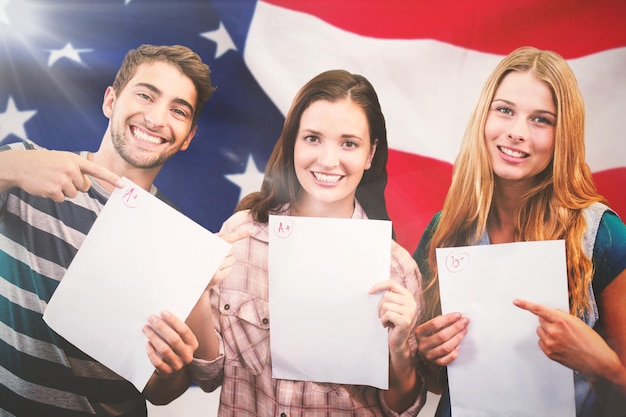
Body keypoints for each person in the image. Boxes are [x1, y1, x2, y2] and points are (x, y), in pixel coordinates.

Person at [143, 69, 427, 415]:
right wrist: (200, 291)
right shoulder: (241, 235)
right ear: (293, 141)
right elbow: (208, 375)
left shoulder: (397, 268)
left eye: (349, 143)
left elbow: (404, 408)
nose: (327, 160)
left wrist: (399, 351)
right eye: (312, 138)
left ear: (370, 155)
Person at [0, 44, 219, 416]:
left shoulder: (182, 244)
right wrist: (10, 165)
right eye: (145, 95)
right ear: (110, 101)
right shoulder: (24, 167)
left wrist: (170, 369)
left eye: (177, 110)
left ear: (187, 138)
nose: (155, 118)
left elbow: (162, 393)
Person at [413, 46, 626, 417]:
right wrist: (428, 353)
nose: (516, 133)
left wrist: (598, 363)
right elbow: (431, 380)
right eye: (506, 110)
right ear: (485, 114)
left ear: (565, 135)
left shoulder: (602, 235)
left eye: (541, 119)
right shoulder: (444, 229)